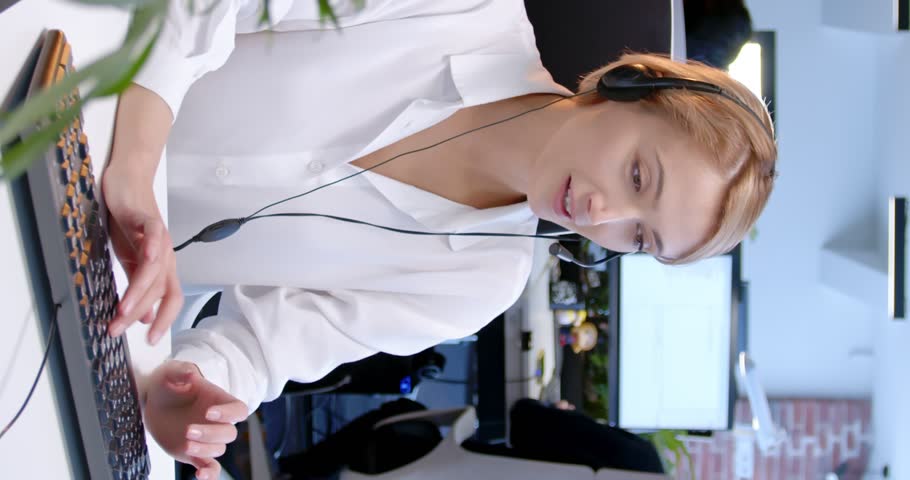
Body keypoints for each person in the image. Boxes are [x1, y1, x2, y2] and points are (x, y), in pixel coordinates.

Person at [100, 0, 777, 478]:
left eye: (637, 234)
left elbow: (263, 345)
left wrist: (195, 395)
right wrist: (132, 164)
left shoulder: (481, 282)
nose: (601, 213)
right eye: (638, 174)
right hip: (70, 74)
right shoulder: (462, 11)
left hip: (98, 274)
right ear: (633, 86)